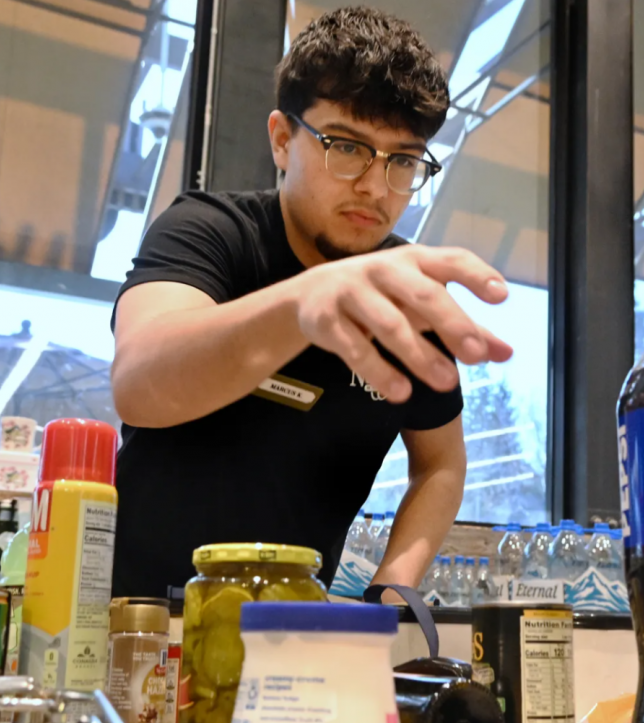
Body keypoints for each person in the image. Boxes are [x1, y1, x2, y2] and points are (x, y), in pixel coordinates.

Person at [110, 7, 512, 598]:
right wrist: (305, 301)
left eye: (402, 160)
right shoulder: (208, 231)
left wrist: (392, 592)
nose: (376, 187)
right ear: (281, 139)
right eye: (347, 147)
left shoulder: (405, 290)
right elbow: (140, 385)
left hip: (295, 638)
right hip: (142, 625)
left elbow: (442, 464)